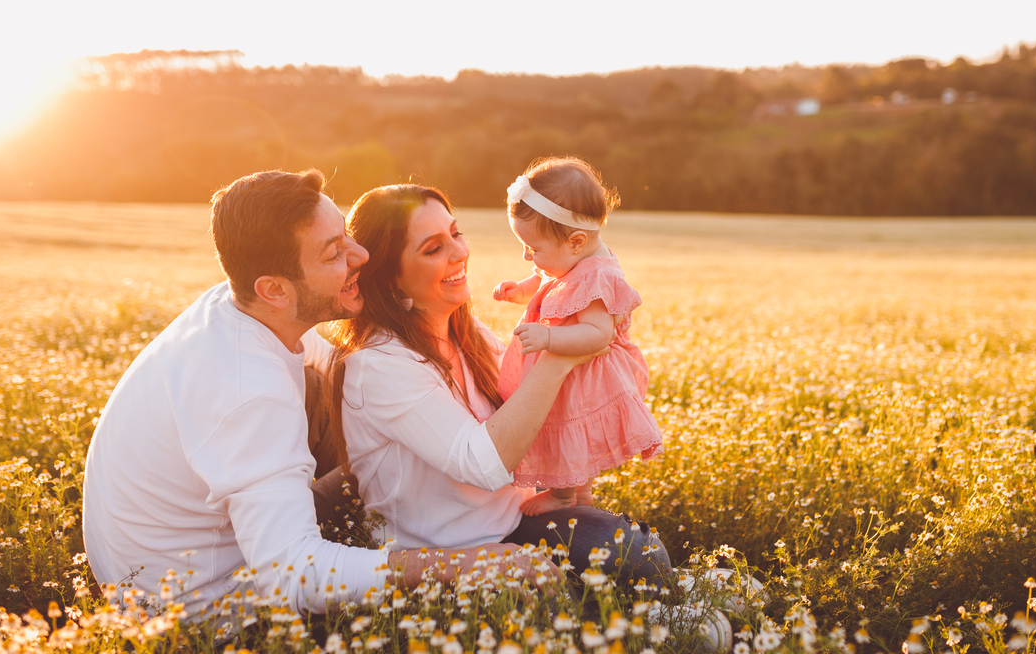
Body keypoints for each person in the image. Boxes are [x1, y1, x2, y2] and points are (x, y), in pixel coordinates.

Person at [81, 169, 553, 616]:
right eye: (333, 254)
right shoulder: (249, 392)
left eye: (346, 234)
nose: (362, 257)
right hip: (204, 609)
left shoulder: (244, 309)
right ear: (275, 290)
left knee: (348, 415)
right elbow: (294, 574)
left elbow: (347, 374)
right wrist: (469, 564)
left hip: (177, 556)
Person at [327, 183, 671, 584]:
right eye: (433, 248)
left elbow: (529, 411)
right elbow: (484, 466)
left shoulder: (463, 331)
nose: (459, 253)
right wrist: (560, 354)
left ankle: (642, 606)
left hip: (516, 519)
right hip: (454, 553)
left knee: (639, 552)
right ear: (391, 280)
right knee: (634, 559)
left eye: (455, 233)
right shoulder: (379, 365)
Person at [492, 157, 664, 516]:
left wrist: (548, 339)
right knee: (571, 436)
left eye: (533, 248)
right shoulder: (571, 259)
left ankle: (563, 497)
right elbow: (546, 281)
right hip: (571, 370)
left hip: (583, 376)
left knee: (570, 432)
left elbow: (598, 335)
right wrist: (519, 291)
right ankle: (580, 498)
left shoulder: (595, 276)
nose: (528, 256)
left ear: (576, 241)